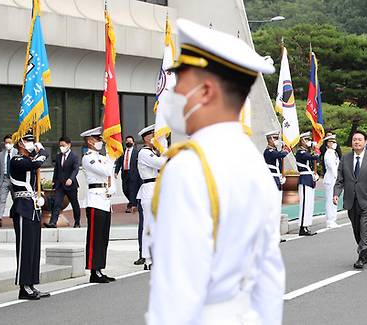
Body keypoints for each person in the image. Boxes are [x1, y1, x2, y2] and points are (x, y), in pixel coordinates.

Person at [146, 19, 284, 324]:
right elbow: (270, 280)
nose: (173, 91)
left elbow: (176, 296)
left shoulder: (188, 168)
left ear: (206, 91)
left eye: (180, 80)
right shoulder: (254, 164)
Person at [333, 131, 367, 269]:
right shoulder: (345, 158)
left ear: (365, 142)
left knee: (365, 226)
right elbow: (340, 179)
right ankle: (366, 252)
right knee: (356, 228)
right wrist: (336, 194)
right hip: (351, 199)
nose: (357, 142)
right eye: (354, 140)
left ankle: (361, 255)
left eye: (359, 140)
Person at [9, 133, 51, 300]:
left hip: (33, 207)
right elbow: (36, 163)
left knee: (33, 248)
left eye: (32, 141)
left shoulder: (29, 160)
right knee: (24, 248)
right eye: (28, 141)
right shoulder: (17, 160)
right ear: (20, 143)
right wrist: (42, 151)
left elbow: (35, 164)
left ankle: (31, 284)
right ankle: (23, 285)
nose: (31, 143)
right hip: (22, 207)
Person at [81, 127, 116, 284]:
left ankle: (100, 268)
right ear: (90, 141)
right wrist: (111, 158)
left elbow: (109, 174)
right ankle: (93, 270)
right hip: (95, 199)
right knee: (95, 237)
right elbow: (106, 171)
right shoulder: (88, 158)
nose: (101, 142)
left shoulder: (101, 157)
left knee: (103, 237)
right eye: (98, 139)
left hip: (105, 199)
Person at [136, 125, 167, 270]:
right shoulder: (144, 153)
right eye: (154, 135)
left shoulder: (153, 152)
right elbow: (161, 163)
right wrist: (165, 149)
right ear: (147, 138)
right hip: (149, 190)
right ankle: (147, 258)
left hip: (157, 189)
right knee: (148, 226)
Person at [45, 136, 81, 228]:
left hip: (71, 185)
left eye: (63, 145)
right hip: (60, 185)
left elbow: (75, 169)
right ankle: (53, 222)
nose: (61, 147)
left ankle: (77, 222)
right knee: (56, 203)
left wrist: (71, 178)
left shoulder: (74, 157)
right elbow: (56, 170)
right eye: (60, 145)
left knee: (74, 203)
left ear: (69, 145)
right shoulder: (58, 156)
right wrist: (54, 182)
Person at [296, 132, 319, 236]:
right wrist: (315, 150)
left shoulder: (306, 152)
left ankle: (306, 225)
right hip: (304, 179)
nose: (309, 142)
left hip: (309, 179)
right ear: (302, 141)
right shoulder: (300, 152)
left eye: (309, 139)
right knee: (305, 204)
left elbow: (313, 158)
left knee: (309, 204)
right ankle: (302, 227)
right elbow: (313, 157)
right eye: (307, 140)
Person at [0, 134, 16, 227]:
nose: (7, 144)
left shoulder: (17, 152)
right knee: (2, 200)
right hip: (5, 180)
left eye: (9, 142)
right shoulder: (1, 154)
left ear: (13, 143)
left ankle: (17, 217)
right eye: (6, 142)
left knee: (16, 200)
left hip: (15, 180)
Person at [114, 135, 142, 213]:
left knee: (132, 190)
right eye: (127, 141)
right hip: (124, 173)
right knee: (125, 189)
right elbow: (119, 163)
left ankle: (131, 204)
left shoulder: (136, 152)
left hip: (133, 173)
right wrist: (116, 172)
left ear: (133, 142)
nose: (129, 142)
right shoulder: (122, 152)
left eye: (130, 141)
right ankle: (133, 202)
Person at [323, 134, 340, 228]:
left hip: (334, 179)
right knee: (330, 200)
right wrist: (337, 176)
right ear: (328, 143)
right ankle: (330, 220)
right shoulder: (328, 153)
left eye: (334, 142)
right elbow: (332, 167)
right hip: (330, 178)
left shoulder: (333, 152)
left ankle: (333, 219)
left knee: (334, 199)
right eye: (332, 142)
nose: (334, 143)